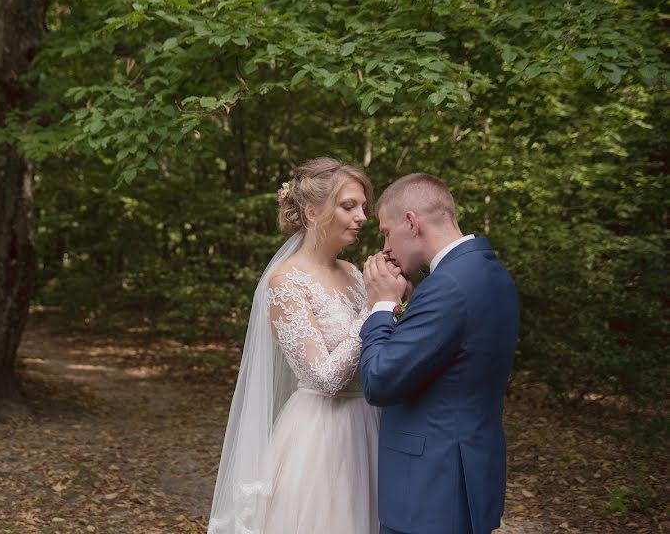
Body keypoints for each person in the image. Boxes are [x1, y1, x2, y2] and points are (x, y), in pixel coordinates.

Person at [208, 157, 381, 534]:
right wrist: (373, 309)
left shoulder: (354, 274)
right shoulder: (286, 283)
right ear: (312, 211)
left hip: (370, 425)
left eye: (363, 207)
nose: (363, 216)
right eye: (349, 205)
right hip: (322, 437)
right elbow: (324, 379)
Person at [358, 173, 520, 534]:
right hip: (467, 475)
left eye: (386, 231)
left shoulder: (446, 286)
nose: (384, 247)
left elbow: (380, 380)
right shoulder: (492, 273)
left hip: (430, 491)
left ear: (412, 222)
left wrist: (381, 305)